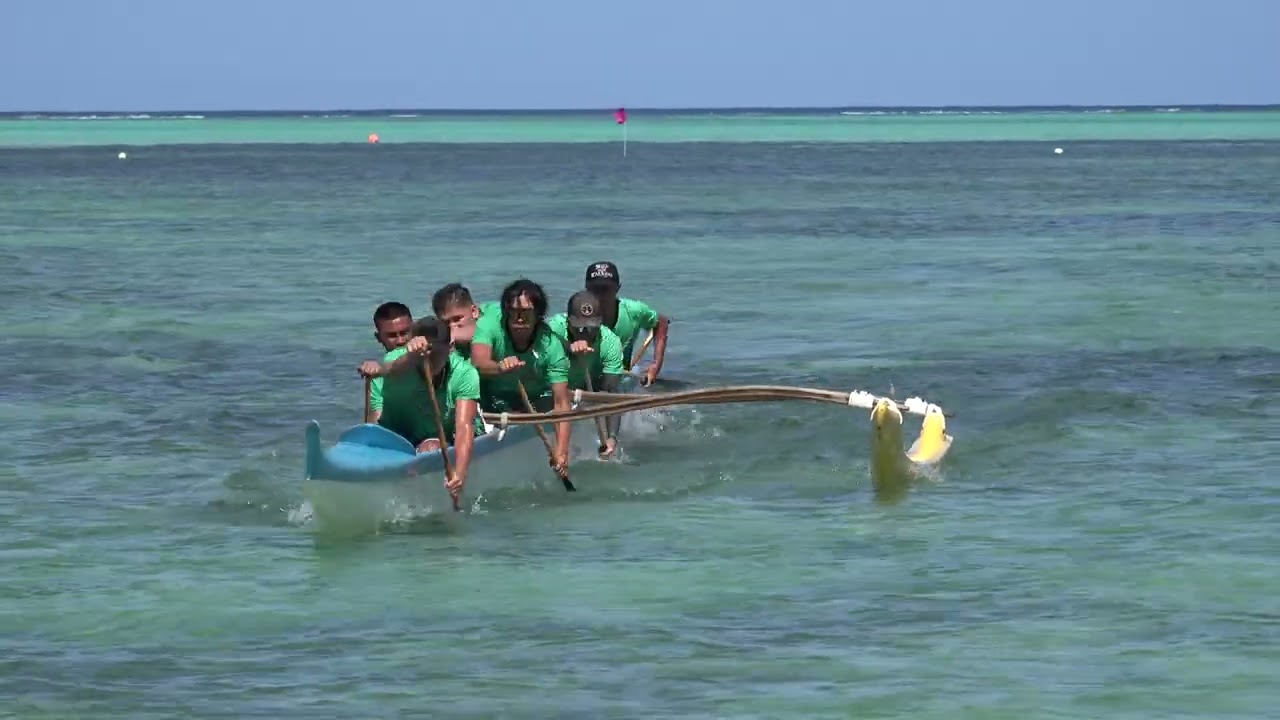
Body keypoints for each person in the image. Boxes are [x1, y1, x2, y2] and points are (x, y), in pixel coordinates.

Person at [357, 317, 485, 498]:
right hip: (405, 436)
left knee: (430, 447)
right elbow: (389, 368)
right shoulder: (399, 359)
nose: (430, 359)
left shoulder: (465, 373)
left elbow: (464, 427)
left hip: (444, 438)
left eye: (436, 353)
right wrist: (411, 356)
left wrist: (459, 474)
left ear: (450, 348)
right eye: (425, 353)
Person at [469, 279, 573, 478]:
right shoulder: (489, 325)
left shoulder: (550, 344)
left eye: (526, 313)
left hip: (532, 402)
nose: (519, 319)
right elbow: (478, 362)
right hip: (490, 401)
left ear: (538, 316)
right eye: (513, 312)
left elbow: (562, 403)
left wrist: (561, 452)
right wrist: (499, 367)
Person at [546, 289, 626, 457]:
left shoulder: (610, 342)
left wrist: (611, 438)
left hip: (590, 388)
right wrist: (569, 347)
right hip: (553, 389)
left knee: (606, 389)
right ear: (567, 322)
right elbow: (541, 336)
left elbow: (611, 394)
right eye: (579, 328)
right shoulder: (554, 328)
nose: (585, 334)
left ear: (600, 323)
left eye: (591, 328)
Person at [583, 261, 670, 386]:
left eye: (606, 289)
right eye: (595, 289)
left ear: (618, 288)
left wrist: (656, 364)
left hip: (620, 380)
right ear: (586, 289)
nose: (600, 295)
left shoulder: (633, 311)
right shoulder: (579, 315)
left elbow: (661, 322)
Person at [366, 301, 415, 424]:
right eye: (392, 336)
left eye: (405, 333)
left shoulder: (429, 357)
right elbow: (374, 421)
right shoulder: (377, 376)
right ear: (379, 338)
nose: (401, 340)